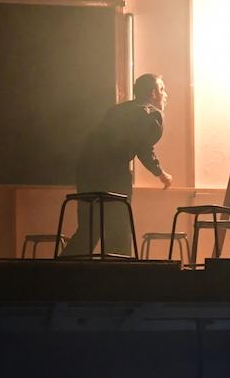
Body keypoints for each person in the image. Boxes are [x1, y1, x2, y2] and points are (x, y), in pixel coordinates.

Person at [63, 73, 173, 257]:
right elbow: (144, 148)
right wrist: (161, 174)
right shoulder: (152, 115)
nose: (166, 94)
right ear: (153, 93)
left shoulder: (117, 109)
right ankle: (119, 268)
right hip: (113, 171)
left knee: (89, 229)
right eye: (162, 89)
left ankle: (61, 268)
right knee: (119, 229)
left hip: (86, 169)